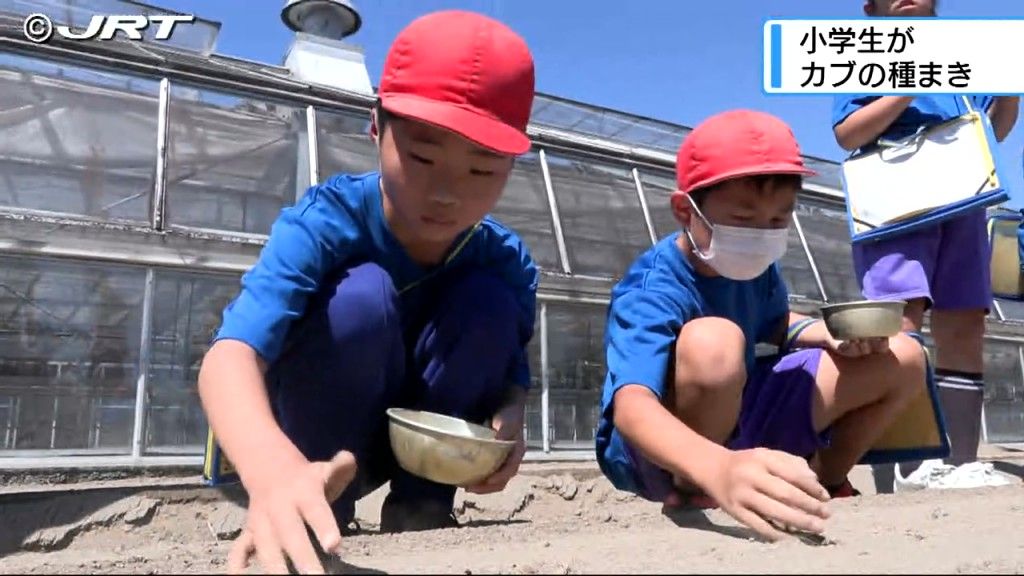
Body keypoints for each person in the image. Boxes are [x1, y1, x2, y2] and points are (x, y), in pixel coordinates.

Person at [197, 10, 539, 574]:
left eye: (482, 171)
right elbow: (230, 355)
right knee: (361, 295)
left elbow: (512, 381)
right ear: (377, 127)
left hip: (421, 444)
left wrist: (510, 423)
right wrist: (270, 467)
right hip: (319, 443)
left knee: (488, 303)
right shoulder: (326, 222)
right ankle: (319, 501)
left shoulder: (504, 259)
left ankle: (422, 504)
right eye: (424, 157)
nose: (449, 194)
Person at [595, 109, 929, 542]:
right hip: (665, 452)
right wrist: (715, 467)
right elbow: (632, 405)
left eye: (777, 220)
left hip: (741, 412)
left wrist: (827, 333)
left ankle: (823, 480)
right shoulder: (653, 287)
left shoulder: (757, 269)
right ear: (685, 209)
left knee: (904, 353)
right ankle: (697, 487)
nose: (761, 234)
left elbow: (774, 325)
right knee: (715, 341)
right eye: (744, 219)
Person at [832, 0, 1020, 486]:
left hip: (965, 196)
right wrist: (907, 83)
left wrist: (1010, 91)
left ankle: (958, 461)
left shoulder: (970, 48)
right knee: (901, 318)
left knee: (964, 324)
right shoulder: (858, 49)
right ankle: (905, 461)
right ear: (871, 7)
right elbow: (847, 131)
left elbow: (992, 128)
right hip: (897, 199)